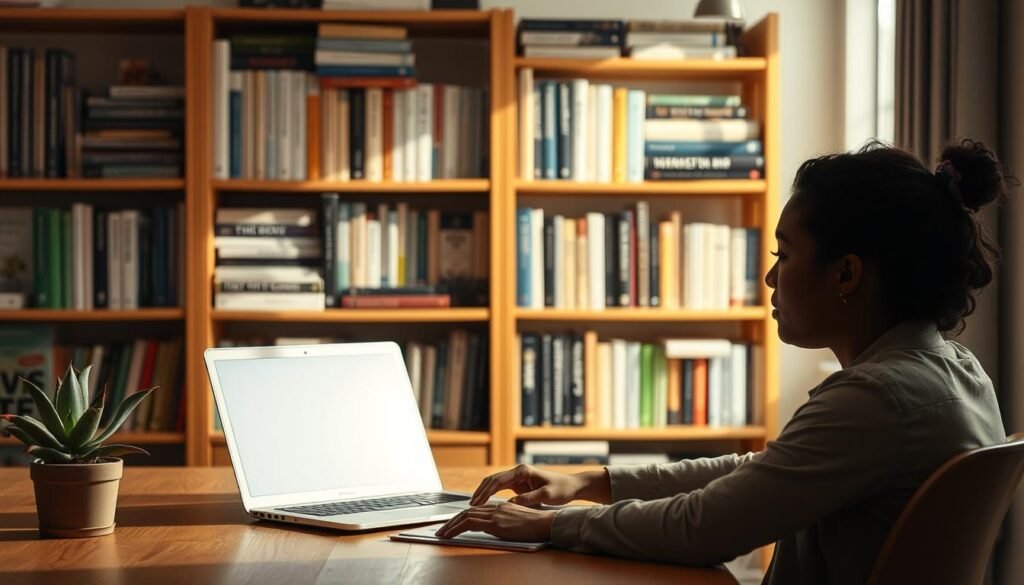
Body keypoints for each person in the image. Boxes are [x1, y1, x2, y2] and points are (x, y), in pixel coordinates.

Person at [436, 139, 1011, 584]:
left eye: (784, 254)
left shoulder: (878, 401)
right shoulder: (957, 371)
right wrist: (595, 480)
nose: (769, 277)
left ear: (846, 274)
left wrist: (553, 523)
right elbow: (761, 474)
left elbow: (705, 528)